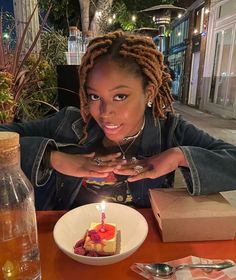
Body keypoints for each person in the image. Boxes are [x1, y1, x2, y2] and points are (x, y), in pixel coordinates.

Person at [0, 31, 235, 210]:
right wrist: (51, 158)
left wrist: (179, 156)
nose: (104, 112)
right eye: (94, 96)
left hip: (139, 245)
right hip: (71, 244)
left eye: (120, 96)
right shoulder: (68, 124)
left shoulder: (171, 131)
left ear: (149, 92)